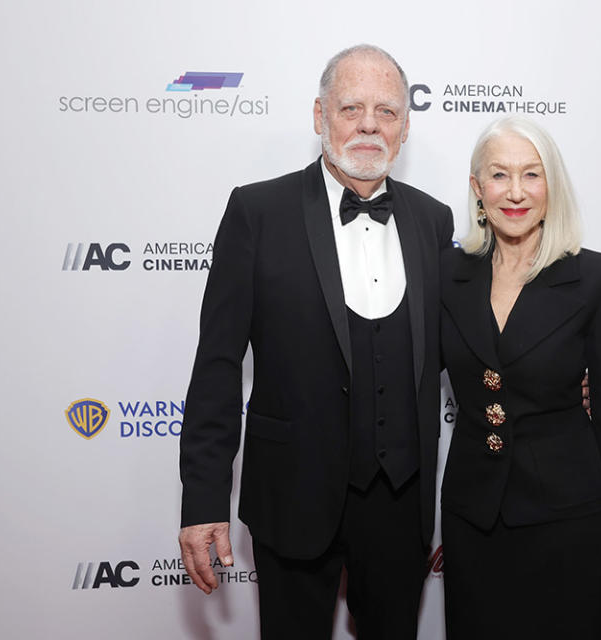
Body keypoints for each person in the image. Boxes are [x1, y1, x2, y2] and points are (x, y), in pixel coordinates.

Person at [178, 44, 453, 639]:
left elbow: (464, 342)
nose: (369, 125)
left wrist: (560, 376)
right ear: (319, 115)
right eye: (351, 107)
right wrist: (202, 500)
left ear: (405, 127)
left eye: (386, 111)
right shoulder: (257, 211)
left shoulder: (435, 220)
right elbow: (218, 364)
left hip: (401, 508)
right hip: (293, 499)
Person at [439, 116, 601, 638]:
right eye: (499, 175)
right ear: (476, 188)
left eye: (532, 175)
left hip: (567, 520)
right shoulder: (446, 275)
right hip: (472, 518)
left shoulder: (598, 279)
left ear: (552, 186)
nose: (515, 192)